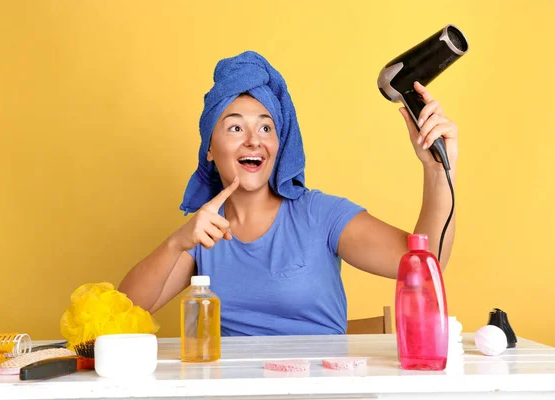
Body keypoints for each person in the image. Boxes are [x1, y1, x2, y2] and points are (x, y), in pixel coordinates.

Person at [118, 51, 458, 336]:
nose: (254, 139)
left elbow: (428, 264)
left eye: (266, 127)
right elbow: (120, 314)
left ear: (279, 146)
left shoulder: (320, 215)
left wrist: (437, 170)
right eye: (235, 127)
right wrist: (177, 242)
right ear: (209, 148)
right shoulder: (202, 233)